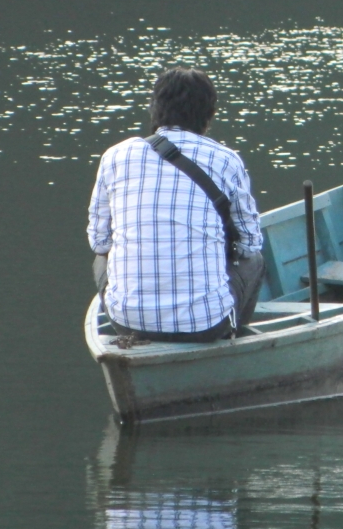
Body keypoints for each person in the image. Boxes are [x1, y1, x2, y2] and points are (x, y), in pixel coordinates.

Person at [87, 67, 264, 342]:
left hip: (127, 323)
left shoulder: (115, 156)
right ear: (209, 114)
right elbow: (251, 244)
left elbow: (99, 243)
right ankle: (233, 335)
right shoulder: (226, 159)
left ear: (155, 108)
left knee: (102, 259)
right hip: (205, 325)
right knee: (256, 262)